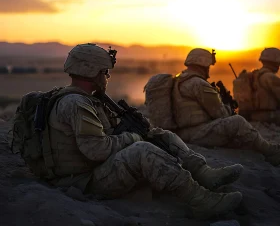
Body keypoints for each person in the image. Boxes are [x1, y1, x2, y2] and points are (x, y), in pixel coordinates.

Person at [45, 43, 244, 219]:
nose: (107, 77)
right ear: (92, 72)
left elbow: (104, 135)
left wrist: (138, 132)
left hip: (91, 170)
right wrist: (130, 137)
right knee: (141, 150)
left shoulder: (89, 99)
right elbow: (96, 150)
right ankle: (201, 201)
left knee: (160, 135)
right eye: (105, 72)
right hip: (83, 181)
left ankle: (204, 173)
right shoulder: (76, 103)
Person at [170, 48, 280, 166]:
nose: (209, 69)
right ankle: (270, 151)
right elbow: (220, 114)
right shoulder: (198, 83)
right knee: (237, 122)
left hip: (183, 132)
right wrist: (227, 105)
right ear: (203, 64)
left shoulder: (178, 79)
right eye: (208, 66)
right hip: (196, 133)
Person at [233, 47, 280, 125]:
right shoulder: (270, 77)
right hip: (269, 117)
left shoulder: (254, 75)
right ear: (275, 62)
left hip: (253, 116)